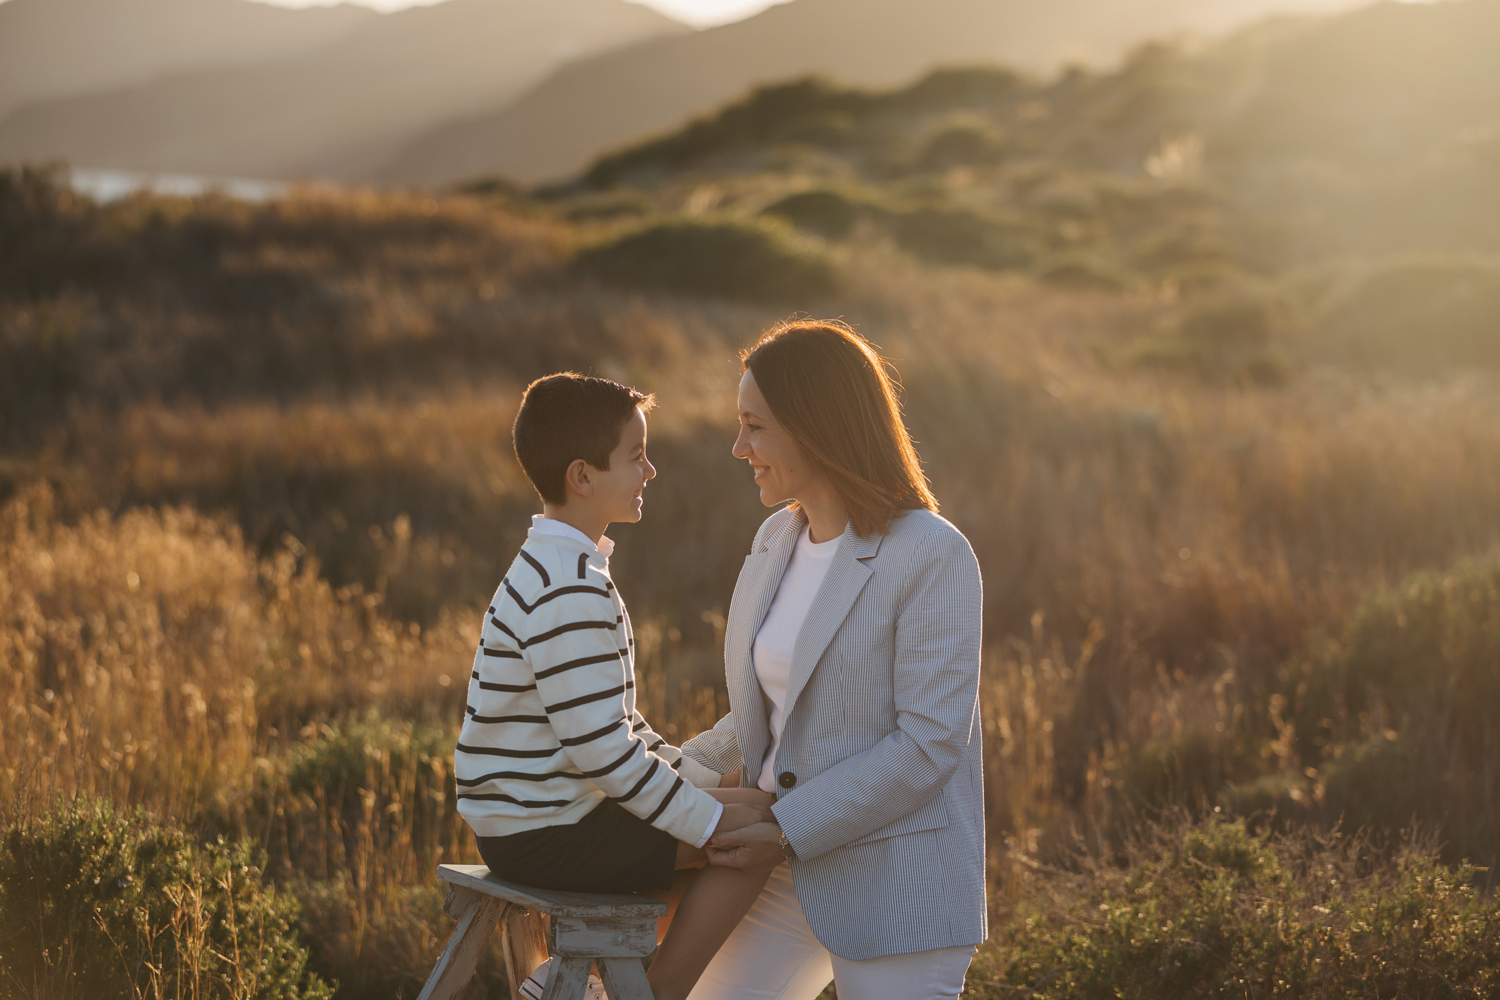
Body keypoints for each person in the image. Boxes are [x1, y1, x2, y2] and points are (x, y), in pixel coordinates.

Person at [680, 320, 987, 1000]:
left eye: (755, 427)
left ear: (814, 426)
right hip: (778, 877)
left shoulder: (931, 553)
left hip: (897, 881)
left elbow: (930, 743)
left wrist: (786, 828)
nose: (738, 448)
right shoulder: (774, 539)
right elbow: (771, 710)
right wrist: (661, 776)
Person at [455, 373, 774, 1000]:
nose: (650, 471)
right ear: (582, 476)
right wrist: (706, 822)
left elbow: (615, 727)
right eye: (636, 457)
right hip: (546, 830)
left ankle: (589, 976)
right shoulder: (570, 586)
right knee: (757, 833)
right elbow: (604, 753)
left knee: (737, 800)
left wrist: (698, 783)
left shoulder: (556, 565)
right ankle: (654, 993)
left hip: (534, 819)